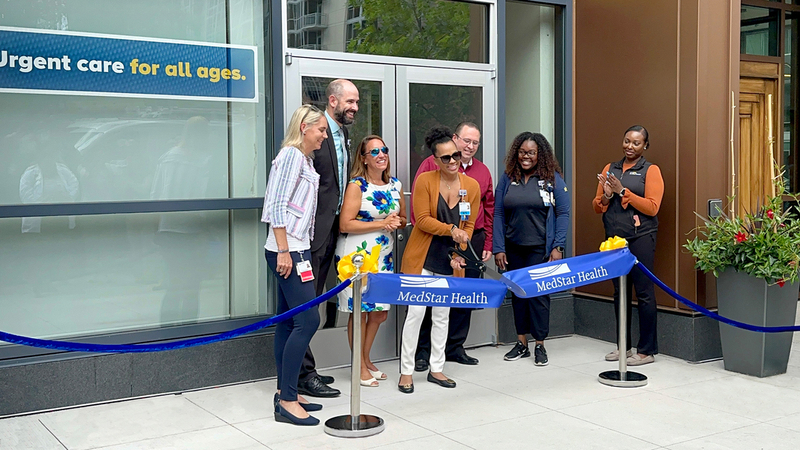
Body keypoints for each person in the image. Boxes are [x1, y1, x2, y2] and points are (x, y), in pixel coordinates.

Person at [398, 127, 480, 394]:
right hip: (423, 257)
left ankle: (437, 368)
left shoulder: (472, 186)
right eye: (446, 158)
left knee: (443, 316)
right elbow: (421, 219)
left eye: (456, 155)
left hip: (450, 261)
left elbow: (468, 227)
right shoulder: (425, 181)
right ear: (435, 160)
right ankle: (406, 371)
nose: (454, 161)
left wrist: (460, 251)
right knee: (416, 314)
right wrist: (450, 230)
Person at [261, 104, 328, 426]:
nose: (323, 137)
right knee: (308, 321)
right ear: (304, 127)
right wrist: (285, 251)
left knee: (289, 322)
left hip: (295, 248)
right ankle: (288, 401)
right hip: (288, 250)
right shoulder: (290, 156)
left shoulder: (303, 159)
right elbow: (274, 204)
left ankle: (285, 391)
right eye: (321, 130)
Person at [412, 122, 494, 369]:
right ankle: (423, 353)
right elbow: (421, 212)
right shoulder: (431, 165)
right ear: (456, 139)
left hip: (471, 239)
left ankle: (455, 347)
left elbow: (489, 208)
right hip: (436, 240)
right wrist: (444, 232)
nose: (469, 147)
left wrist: (487, 241)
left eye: (475, 143)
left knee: (463, 294)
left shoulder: (482, 172)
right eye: (466, 141)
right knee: (430, 299)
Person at [298, 79, 360, 398]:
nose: (355, 108)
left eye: (357, 102)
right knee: (305, 306)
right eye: (350, 102)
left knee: (317, 302)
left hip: (332, 232)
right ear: (332, 101)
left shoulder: (343, 134)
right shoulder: (314, 131)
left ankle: (307, 368)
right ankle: (303, 374)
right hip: (308, 235)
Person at [335, 135, 406, 387]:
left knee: (379, 314)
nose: (381, 155)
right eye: (374, 151)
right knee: (361, 312)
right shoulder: (357, 186)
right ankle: (359, 365)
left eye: (384, 150)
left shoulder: (395, 185)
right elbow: (345, 223)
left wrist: (399, 222)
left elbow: (403, 217)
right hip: (358, 257)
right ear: (364, 158)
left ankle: (365, 358)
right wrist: (381, 223)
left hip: (383, 257)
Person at [494, 132, 570, 366]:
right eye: (522, 152)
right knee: (518, 295)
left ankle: (540, 344)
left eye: (531, 153)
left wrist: (558, 246)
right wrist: (499, 247)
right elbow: (498, 213)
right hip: (513, 247)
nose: (526, 157)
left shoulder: (552, 179)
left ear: (540, 155)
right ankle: (521, 343)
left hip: (541, 250)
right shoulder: (508, 178)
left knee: (538, 296)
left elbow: (563, 213)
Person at [593, 125, 663, 366]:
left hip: (641, 237)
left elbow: (653, 207)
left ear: (645, 146)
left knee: (643, 293)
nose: (630, 147)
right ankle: (623, 346)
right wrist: (607, 195)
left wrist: (623, 191)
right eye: (626, 141)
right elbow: (597, 205)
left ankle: (646, 351)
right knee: (619, 292)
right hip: (614, 239)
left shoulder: (650, 170)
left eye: (636, 143)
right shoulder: (609, 168)